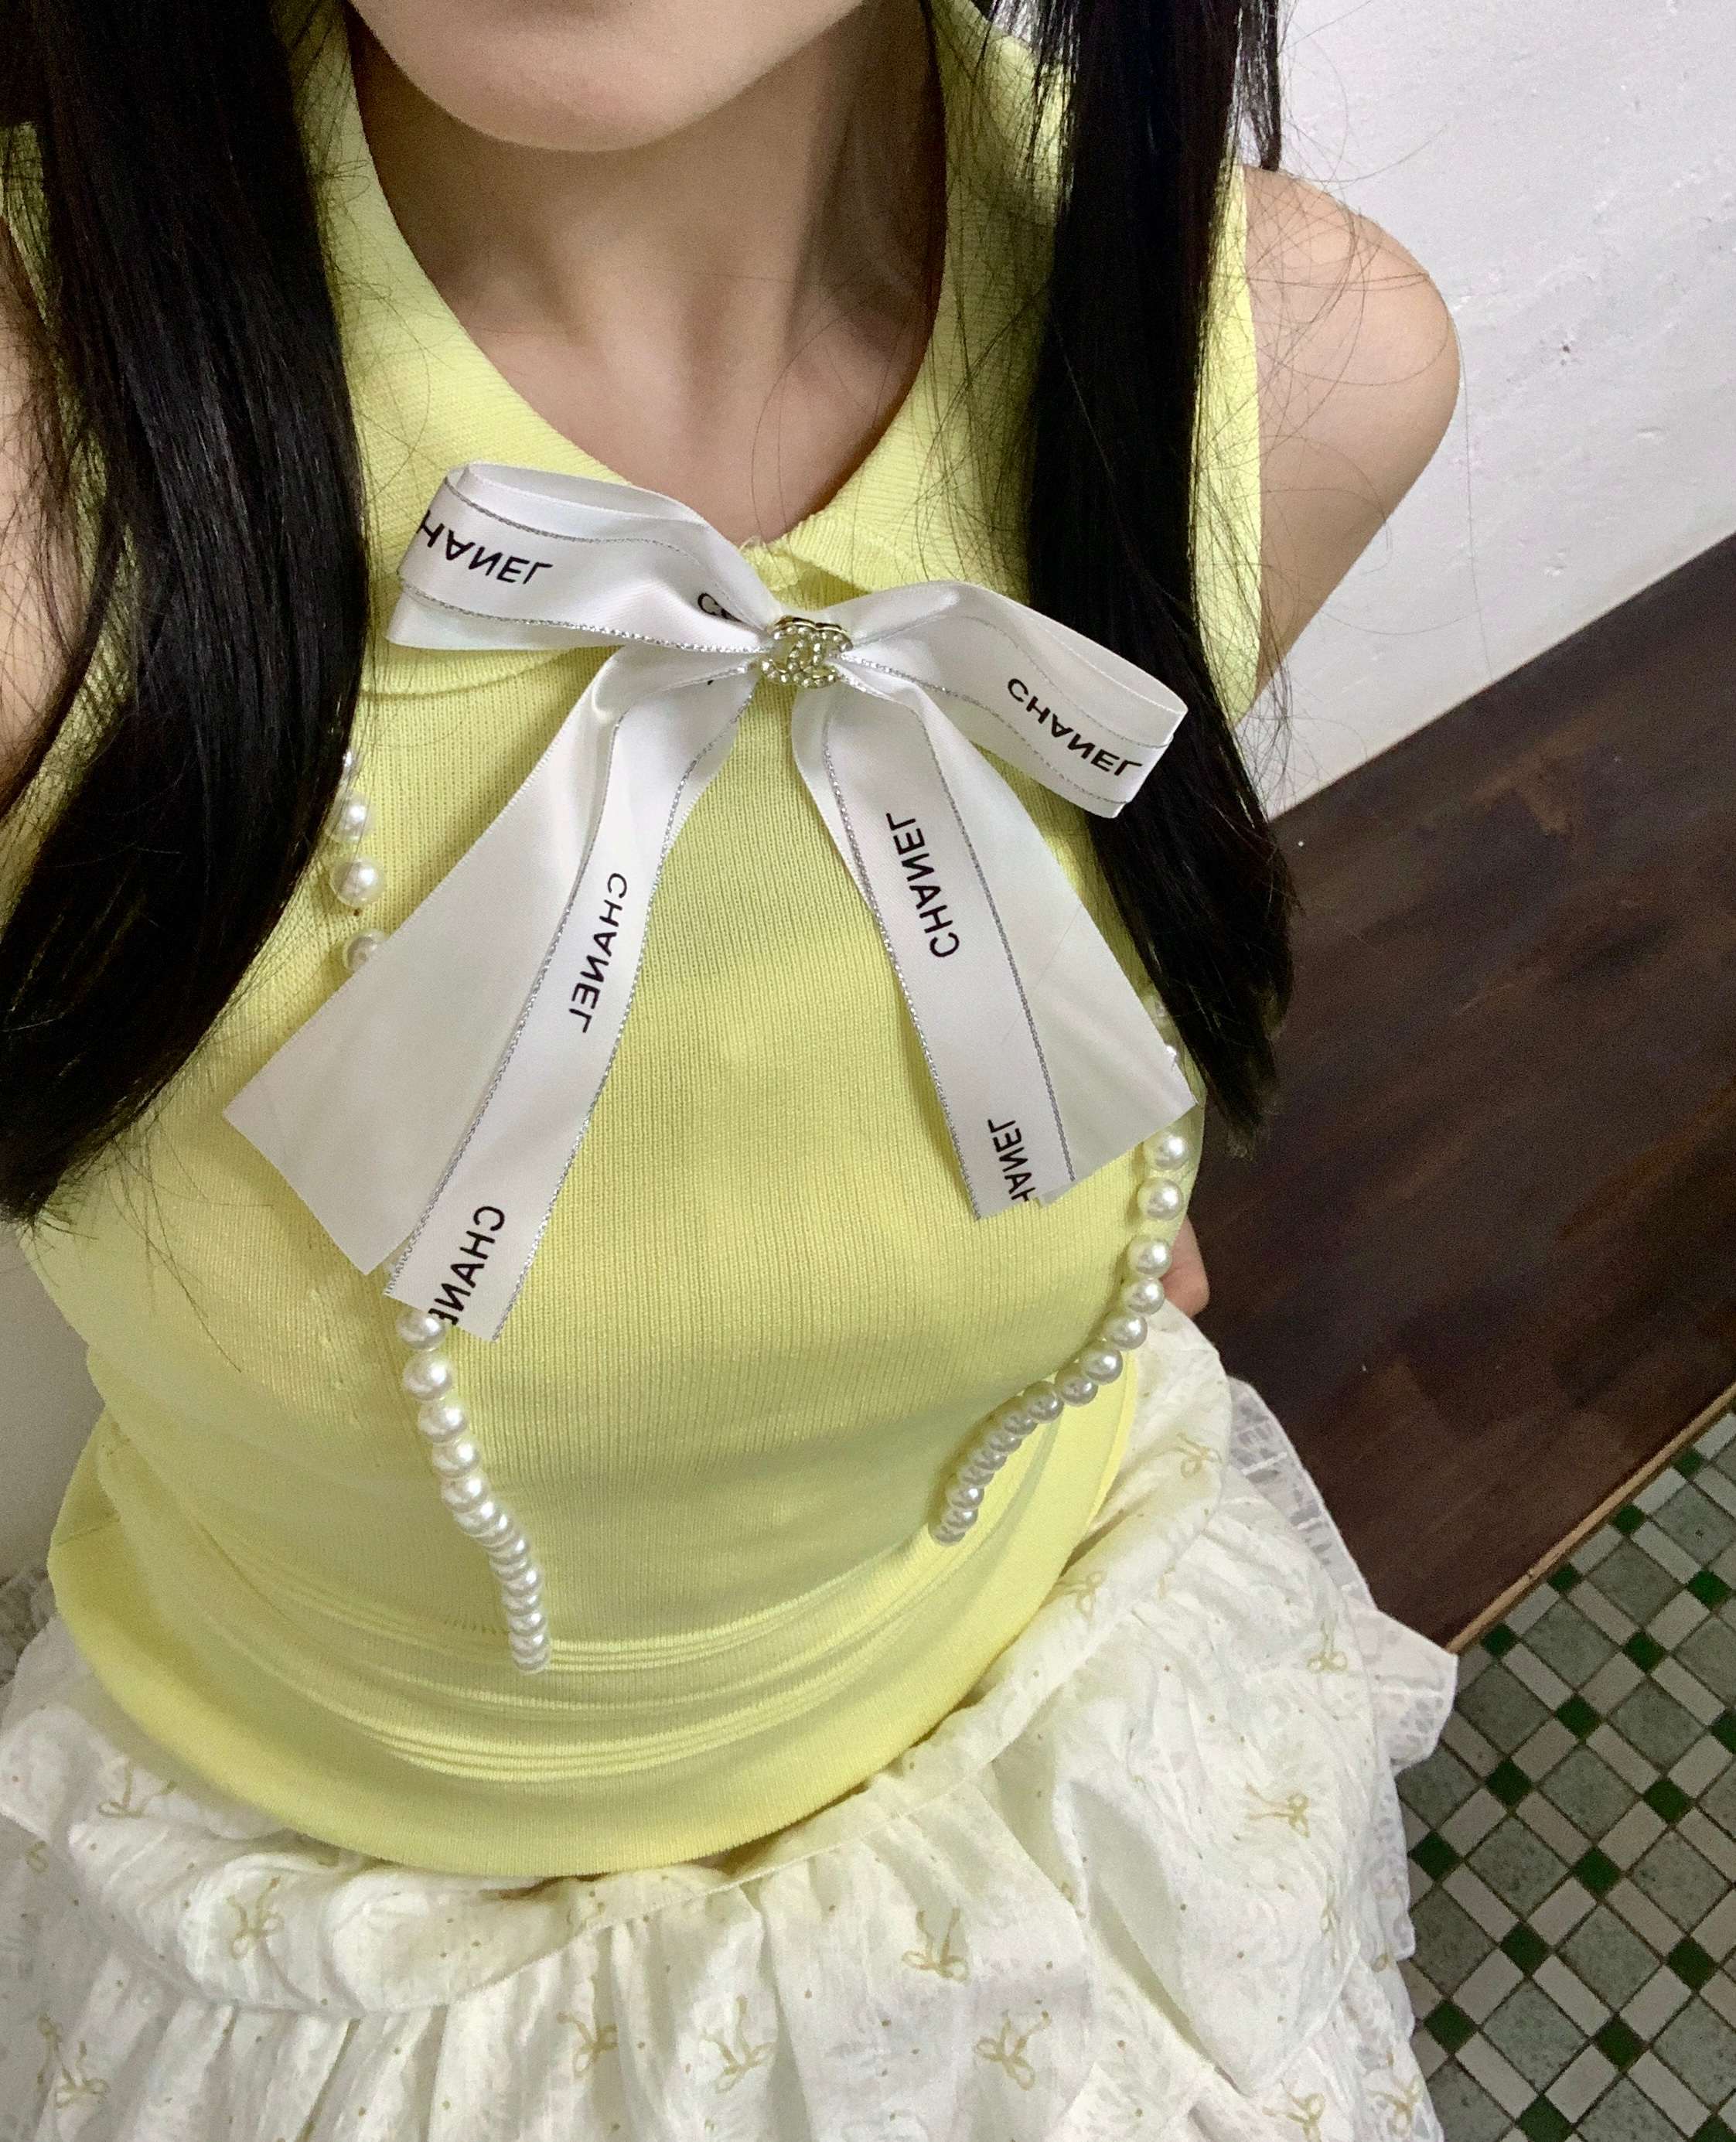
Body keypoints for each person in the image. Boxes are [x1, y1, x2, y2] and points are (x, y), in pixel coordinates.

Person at [0, 0, 1464, 2133]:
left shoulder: (1290, 361)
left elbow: (1054, 978)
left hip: (1077, 1745)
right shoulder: (39, 505)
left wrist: (1033, 1257)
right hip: (349, 1954)